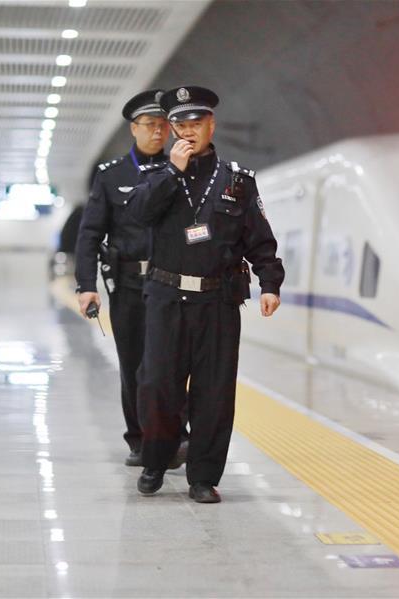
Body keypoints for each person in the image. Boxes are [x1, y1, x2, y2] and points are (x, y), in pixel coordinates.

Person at [128, 85, 284, 503]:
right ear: (171, 128)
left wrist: (270, 283)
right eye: (180, 123)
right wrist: (173, 173)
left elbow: (260, 240)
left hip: (217, 302)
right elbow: (139, 215)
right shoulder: (155, 178)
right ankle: (156, 463)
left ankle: (203, 476)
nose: (188, 131)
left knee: (214, 393)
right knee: (158, 386)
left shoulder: (238, 181)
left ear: (211, 125)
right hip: (165, 298)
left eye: (196, 122)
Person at [74, 89, 188, 468]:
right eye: (151, 126)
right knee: (134, 365)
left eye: (163, 126)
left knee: (171, 366)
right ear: (134, 129)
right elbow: (90, 234)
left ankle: (174, 438)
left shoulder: (184, 168)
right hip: (128, 287)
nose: (158, 133)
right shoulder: (112, 176)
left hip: (171, 285)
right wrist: (86, 285)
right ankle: (140, 439)